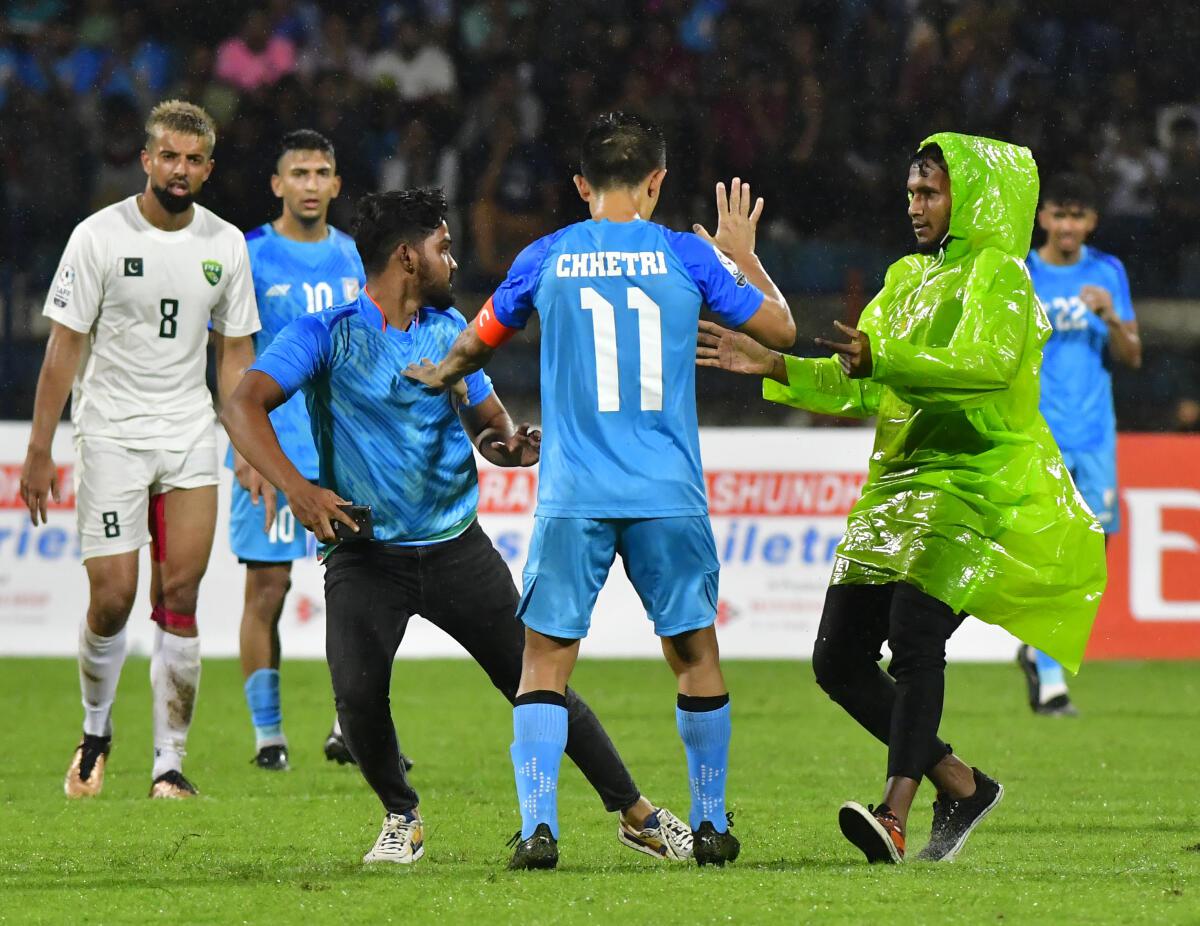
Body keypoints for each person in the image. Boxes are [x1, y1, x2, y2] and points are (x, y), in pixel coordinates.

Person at [222, 188, 694, 867]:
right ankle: (401, 816)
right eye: (443, 246)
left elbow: (486, 423)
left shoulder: (453, 335)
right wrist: (298, 489)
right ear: (409, 258)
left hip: (455, 550)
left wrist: (506, 442)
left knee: (537, 684)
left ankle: (636, 813)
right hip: (365, 554)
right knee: (356, 698)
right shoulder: (328, 333)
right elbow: (244, 403)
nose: (453, 258)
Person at [696, 134, 1106, 864]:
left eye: (930, 193)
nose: (913, 206)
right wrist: (779, 364)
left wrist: (884, 357)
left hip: (976, 480)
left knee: (917, 634)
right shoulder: (906, 275)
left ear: (972, 196)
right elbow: (863, 385)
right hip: (897, 484)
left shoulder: (1002, 278)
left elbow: (982, 369)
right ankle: (960, 782)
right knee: (837, 661)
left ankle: (894, 813)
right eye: (912, 192)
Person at [404, 112, 797, 869]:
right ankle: (711, 823)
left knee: (545, 662)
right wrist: (742, 258)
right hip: (666, 491)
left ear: (582, 186)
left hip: (574, 491)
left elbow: (474, 343)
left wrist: (437, 377)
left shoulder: (546, 256)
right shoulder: (689, 256)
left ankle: (540, 829)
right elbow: (779, 331)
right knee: (693, 653)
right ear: (656, 183)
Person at [19, 100, 260, 799]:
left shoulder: (225, 245)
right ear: (146, 160)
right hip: (113, 435)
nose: (180, 169)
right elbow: (64, 347)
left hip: (188, 433)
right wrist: (41, 448)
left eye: (193, 160)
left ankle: (169, 764)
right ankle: (96, 731)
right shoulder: (97, 237)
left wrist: (245, 444)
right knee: (114, 599)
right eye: (169, 157)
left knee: (180, 595)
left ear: (207, 169)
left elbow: (235, 357)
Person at [232, 128, 402, 770]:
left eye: (320, 172)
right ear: (277, 184)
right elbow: (229, 356)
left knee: (369, 593)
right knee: (268, 588)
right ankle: (268, 737)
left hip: (352, 449)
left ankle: (349, 728)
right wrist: (244, 450)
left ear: (335, 184)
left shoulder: (358, 258)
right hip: (272, 450)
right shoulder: (248, 254)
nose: (309, 184)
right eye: (296, 172)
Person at [1018, 173, 1141, 717]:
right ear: (1043, 218)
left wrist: (1111, 316)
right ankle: (1051, 679)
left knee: (1091, 558)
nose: (1068, 225)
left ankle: (1036, 650)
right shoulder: (1022, 274)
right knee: (1051, 555)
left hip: (1093, 436)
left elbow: (1132, 355)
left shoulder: (1108, 272)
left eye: (1078, 216)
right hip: (1039, 435)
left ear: (1091, 222)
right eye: (1059, 214)